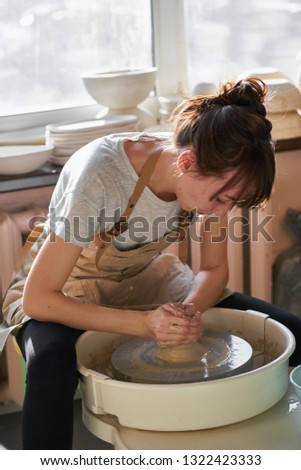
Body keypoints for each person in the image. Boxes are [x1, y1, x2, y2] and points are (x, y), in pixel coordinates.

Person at [1, 77, 300, 450]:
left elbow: (212, 271)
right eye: (221, 198)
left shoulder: (217, 170)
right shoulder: (101, 172)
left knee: (293, 333)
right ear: (187, 163)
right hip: (66, 285)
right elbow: (40, 299)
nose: (222, 210)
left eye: (232, 202)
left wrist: (186, 312)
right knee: (50, 362)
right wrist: (145, 324)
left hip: (144, 277)